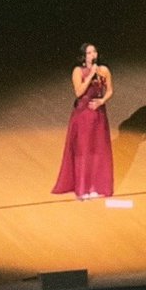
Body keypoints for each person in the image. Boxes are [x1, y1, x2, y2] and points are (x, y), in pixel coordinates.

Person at [52, 42, 114, 199]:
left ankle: (95, 186)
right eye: (89, 52)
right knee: (83, 151)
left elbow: (110, 91)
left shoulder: (104, 70)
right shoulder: (78, 71)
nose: (92, 55)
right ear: (83, 56)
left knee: (97, 151)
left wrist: (101, 101)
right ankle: (82, 188)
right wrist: (90, 76)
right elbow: (79, 92)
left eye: (94, 52)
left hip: (99, 115)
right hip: (83, 116)